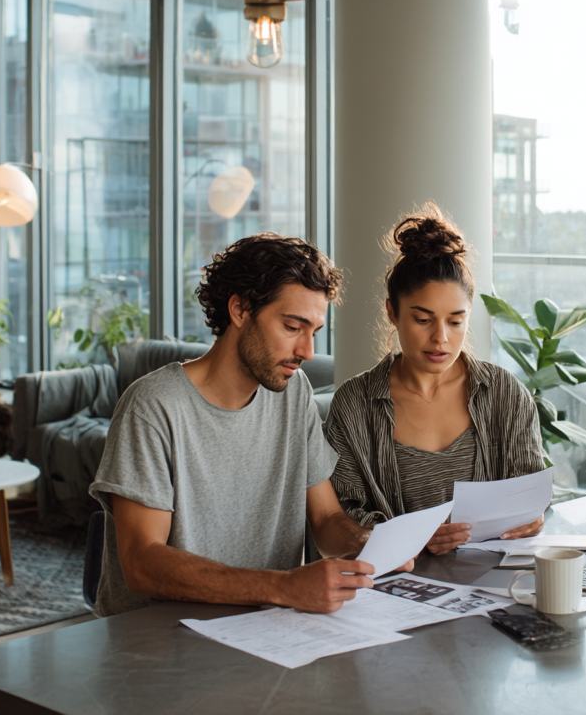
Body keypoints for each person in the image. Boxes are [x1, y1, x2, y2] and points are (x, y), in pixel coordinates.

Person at [89, 234, 378, 616]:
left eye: (313, 332)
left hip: (265, 635)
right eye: (293, 327)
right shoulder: (153, 406)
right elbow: (143, 563)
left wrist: (369, 544)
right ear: (240, 310)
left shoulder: (293, 394)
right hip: (157, 646)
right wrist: (284, 586)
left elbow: (325, 519)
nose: (307, 351)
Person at [325, 204, 547, 554]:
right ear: (392, 313)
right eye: (423, 320)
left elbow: (529, 488)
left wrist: (531, 517)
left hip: (490, 585)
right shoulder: (355, 404)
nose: (440, 338)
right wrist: (411, 539)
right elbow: (340, 518)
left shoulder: (504, 394)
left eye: (456, 321)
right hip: (396, 592)